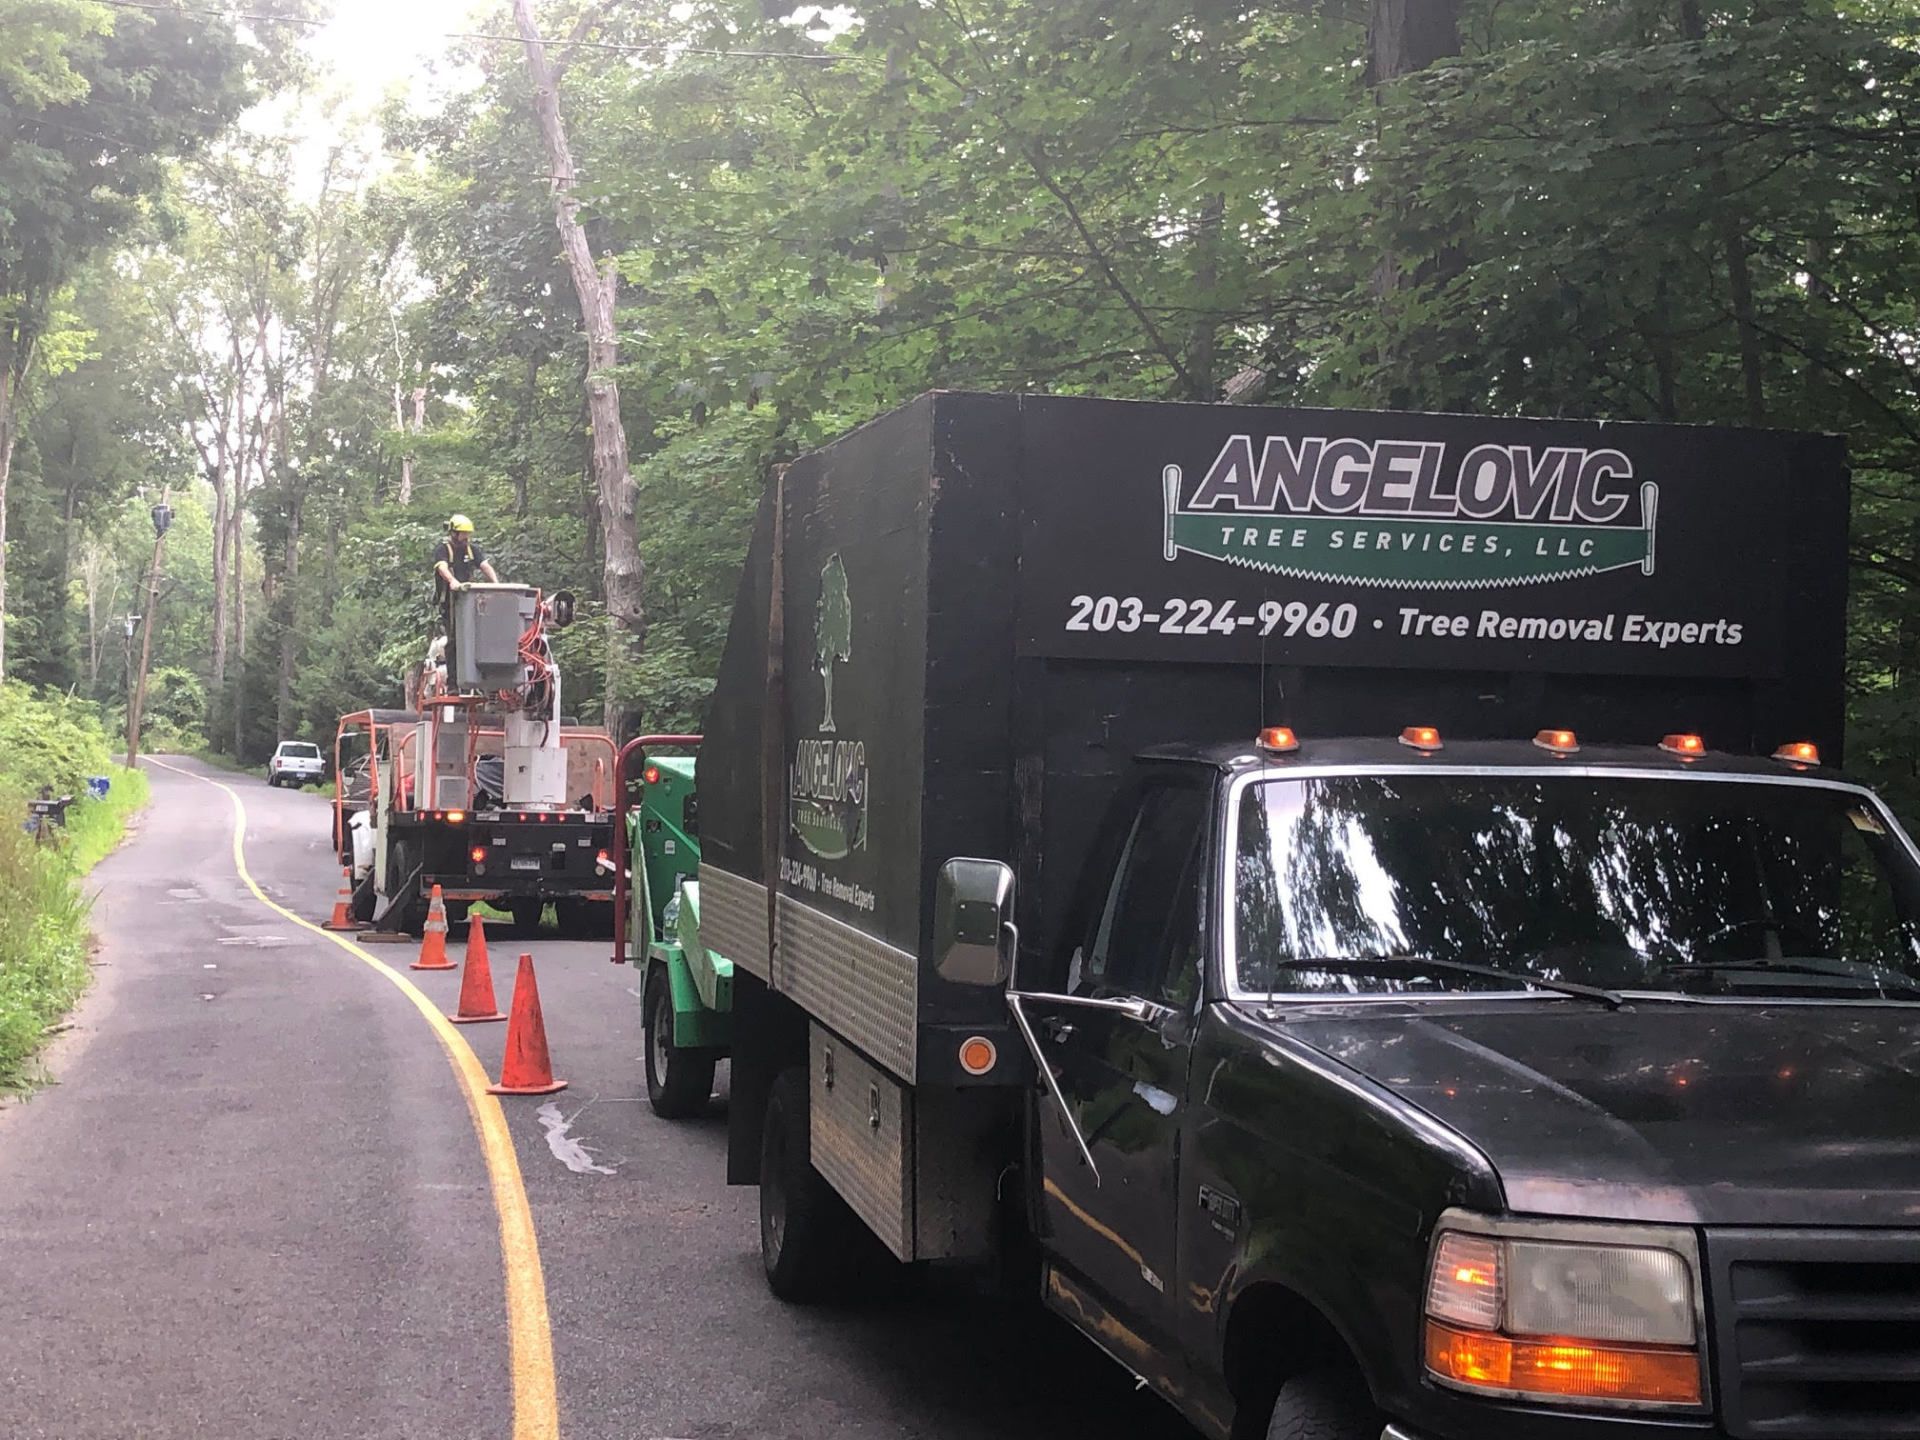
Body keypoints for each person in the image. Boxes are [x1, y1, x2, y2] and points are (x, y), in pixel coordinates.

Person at [433, 515, 499, 688]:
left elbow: (485, 566)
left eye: (467, 534)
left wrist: (497, 584)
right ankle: (454, 682)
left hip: (470, 601)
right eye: (463, 534)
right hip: (451, 602)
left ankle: (478, 679)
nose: (466, 538)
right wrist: (452, 581)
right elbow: (442, 568)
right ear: (454, 533)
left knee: (475, 638)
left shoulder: (472, 550)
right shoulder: (443, 549)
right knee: (455, 640)